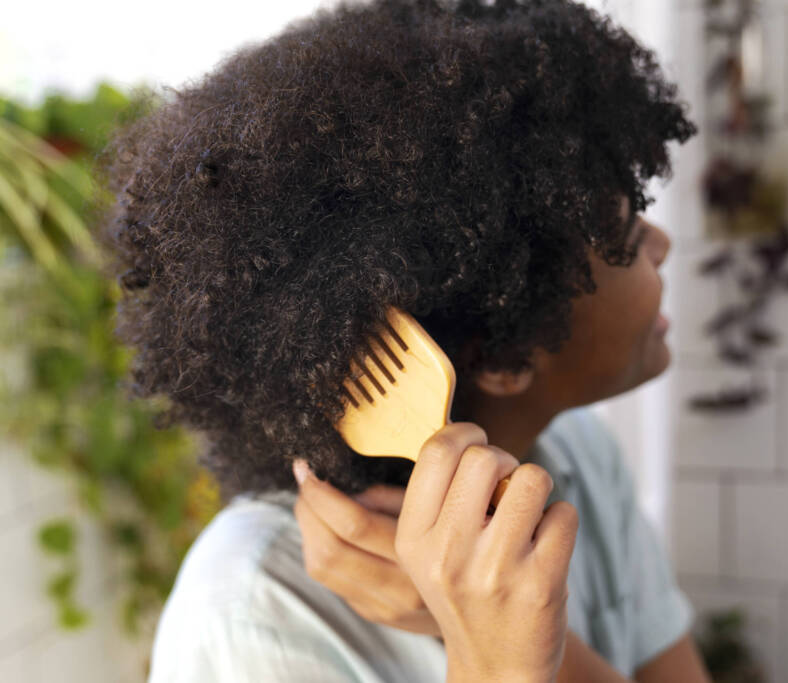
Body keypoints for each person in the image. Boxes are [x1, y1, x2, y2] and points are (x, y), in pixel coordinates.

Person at [95, 0, 705, 680]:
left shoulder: (577, 456)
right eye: (625, 237)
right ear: (503, 353)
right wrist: (493, 654)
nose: (662, 243)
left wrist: (464, 620)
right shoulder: (257, 609)